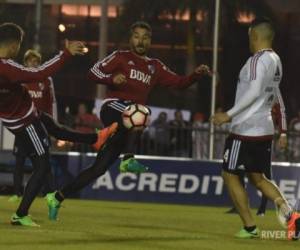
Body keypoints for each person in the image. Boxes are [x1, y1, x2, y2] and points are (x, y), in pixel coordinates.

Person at [45, 21, 211, 220]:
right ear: (131, 38)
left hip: (128, 124)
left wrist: (195, 75)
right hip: (112, 108)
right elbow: (93, 72)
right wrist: (111, 79)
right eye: (137, 36)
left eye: (145, 37)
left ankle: (56, 197)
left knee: (98, 169)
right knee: (140, 111)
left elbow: (179, 83)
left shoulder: (154, 66)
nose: (140, 40)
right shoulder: (120, 57)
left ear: (150, 41)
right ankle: (129, 158)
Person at [0, 22, 117, 226]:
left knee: (56, 128)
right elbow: (39, 73)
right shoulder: (6, 66)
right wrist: (66, 53)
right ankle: (20, 214)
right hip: (24, 121)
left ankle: (96, 138)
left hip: (22, 112)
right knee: (43, 164)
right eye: (18, 45)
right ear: (13, 46)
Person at [211, 18, 300, 239]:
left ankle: (250, 227)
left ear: (254, 36)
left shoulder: (256, 61)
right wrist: (281, 129)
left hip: (245, 129)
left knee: (229, 174)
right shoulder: (276, 59)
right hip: (264, 128)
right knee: (258, 178)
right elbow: (275, 94)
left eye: (250, 36)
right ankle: (291, 216)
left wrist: (227, 115)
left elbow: (253, 92)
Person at [9, 49, 58, 202]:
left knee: (44, 159)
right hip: (23, 125)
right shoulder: (20, 79)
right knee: (20, 160)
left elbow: (52, 103)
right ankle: (17, 193)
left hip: (40, 125)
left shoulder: (46, 80)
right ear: (25, 62)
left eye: (36, 61)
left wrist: (53, 125)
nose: (33, 64)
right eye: (31, 61)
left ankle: (49, 192)